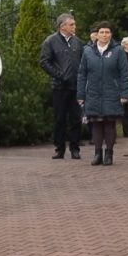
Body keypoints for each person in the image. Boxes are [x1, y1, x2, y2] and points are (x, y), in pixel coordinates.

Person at [77, 22, 128, 165]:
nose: (104, 35)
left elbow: (125, 74)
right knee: (96, 124)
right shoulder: (87, 51)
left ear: (111, 34)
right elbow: (82, 73)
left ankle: (109, 153)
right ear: (96, 34)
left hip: (112, 93)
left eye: (107, 32)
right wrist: (80, 95)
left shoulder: (118, 51)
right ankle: (97, 153)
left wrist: (124, 94)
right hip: (93, 93)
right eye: (102, 32)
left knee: (109, 124)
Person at [39, 13, 84, 159]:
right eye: (72, 24)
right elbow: (44, 62)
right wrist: (60, 75)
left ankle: (75, 148)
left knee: (76, 118)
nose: (74, 27)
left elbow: (83, 62)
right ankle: (59, 149)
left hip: (75, 86)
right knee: (60, 119)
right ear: (62, 26)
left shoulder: (78, 42)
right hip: (59, 86)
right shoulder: (50, 41)